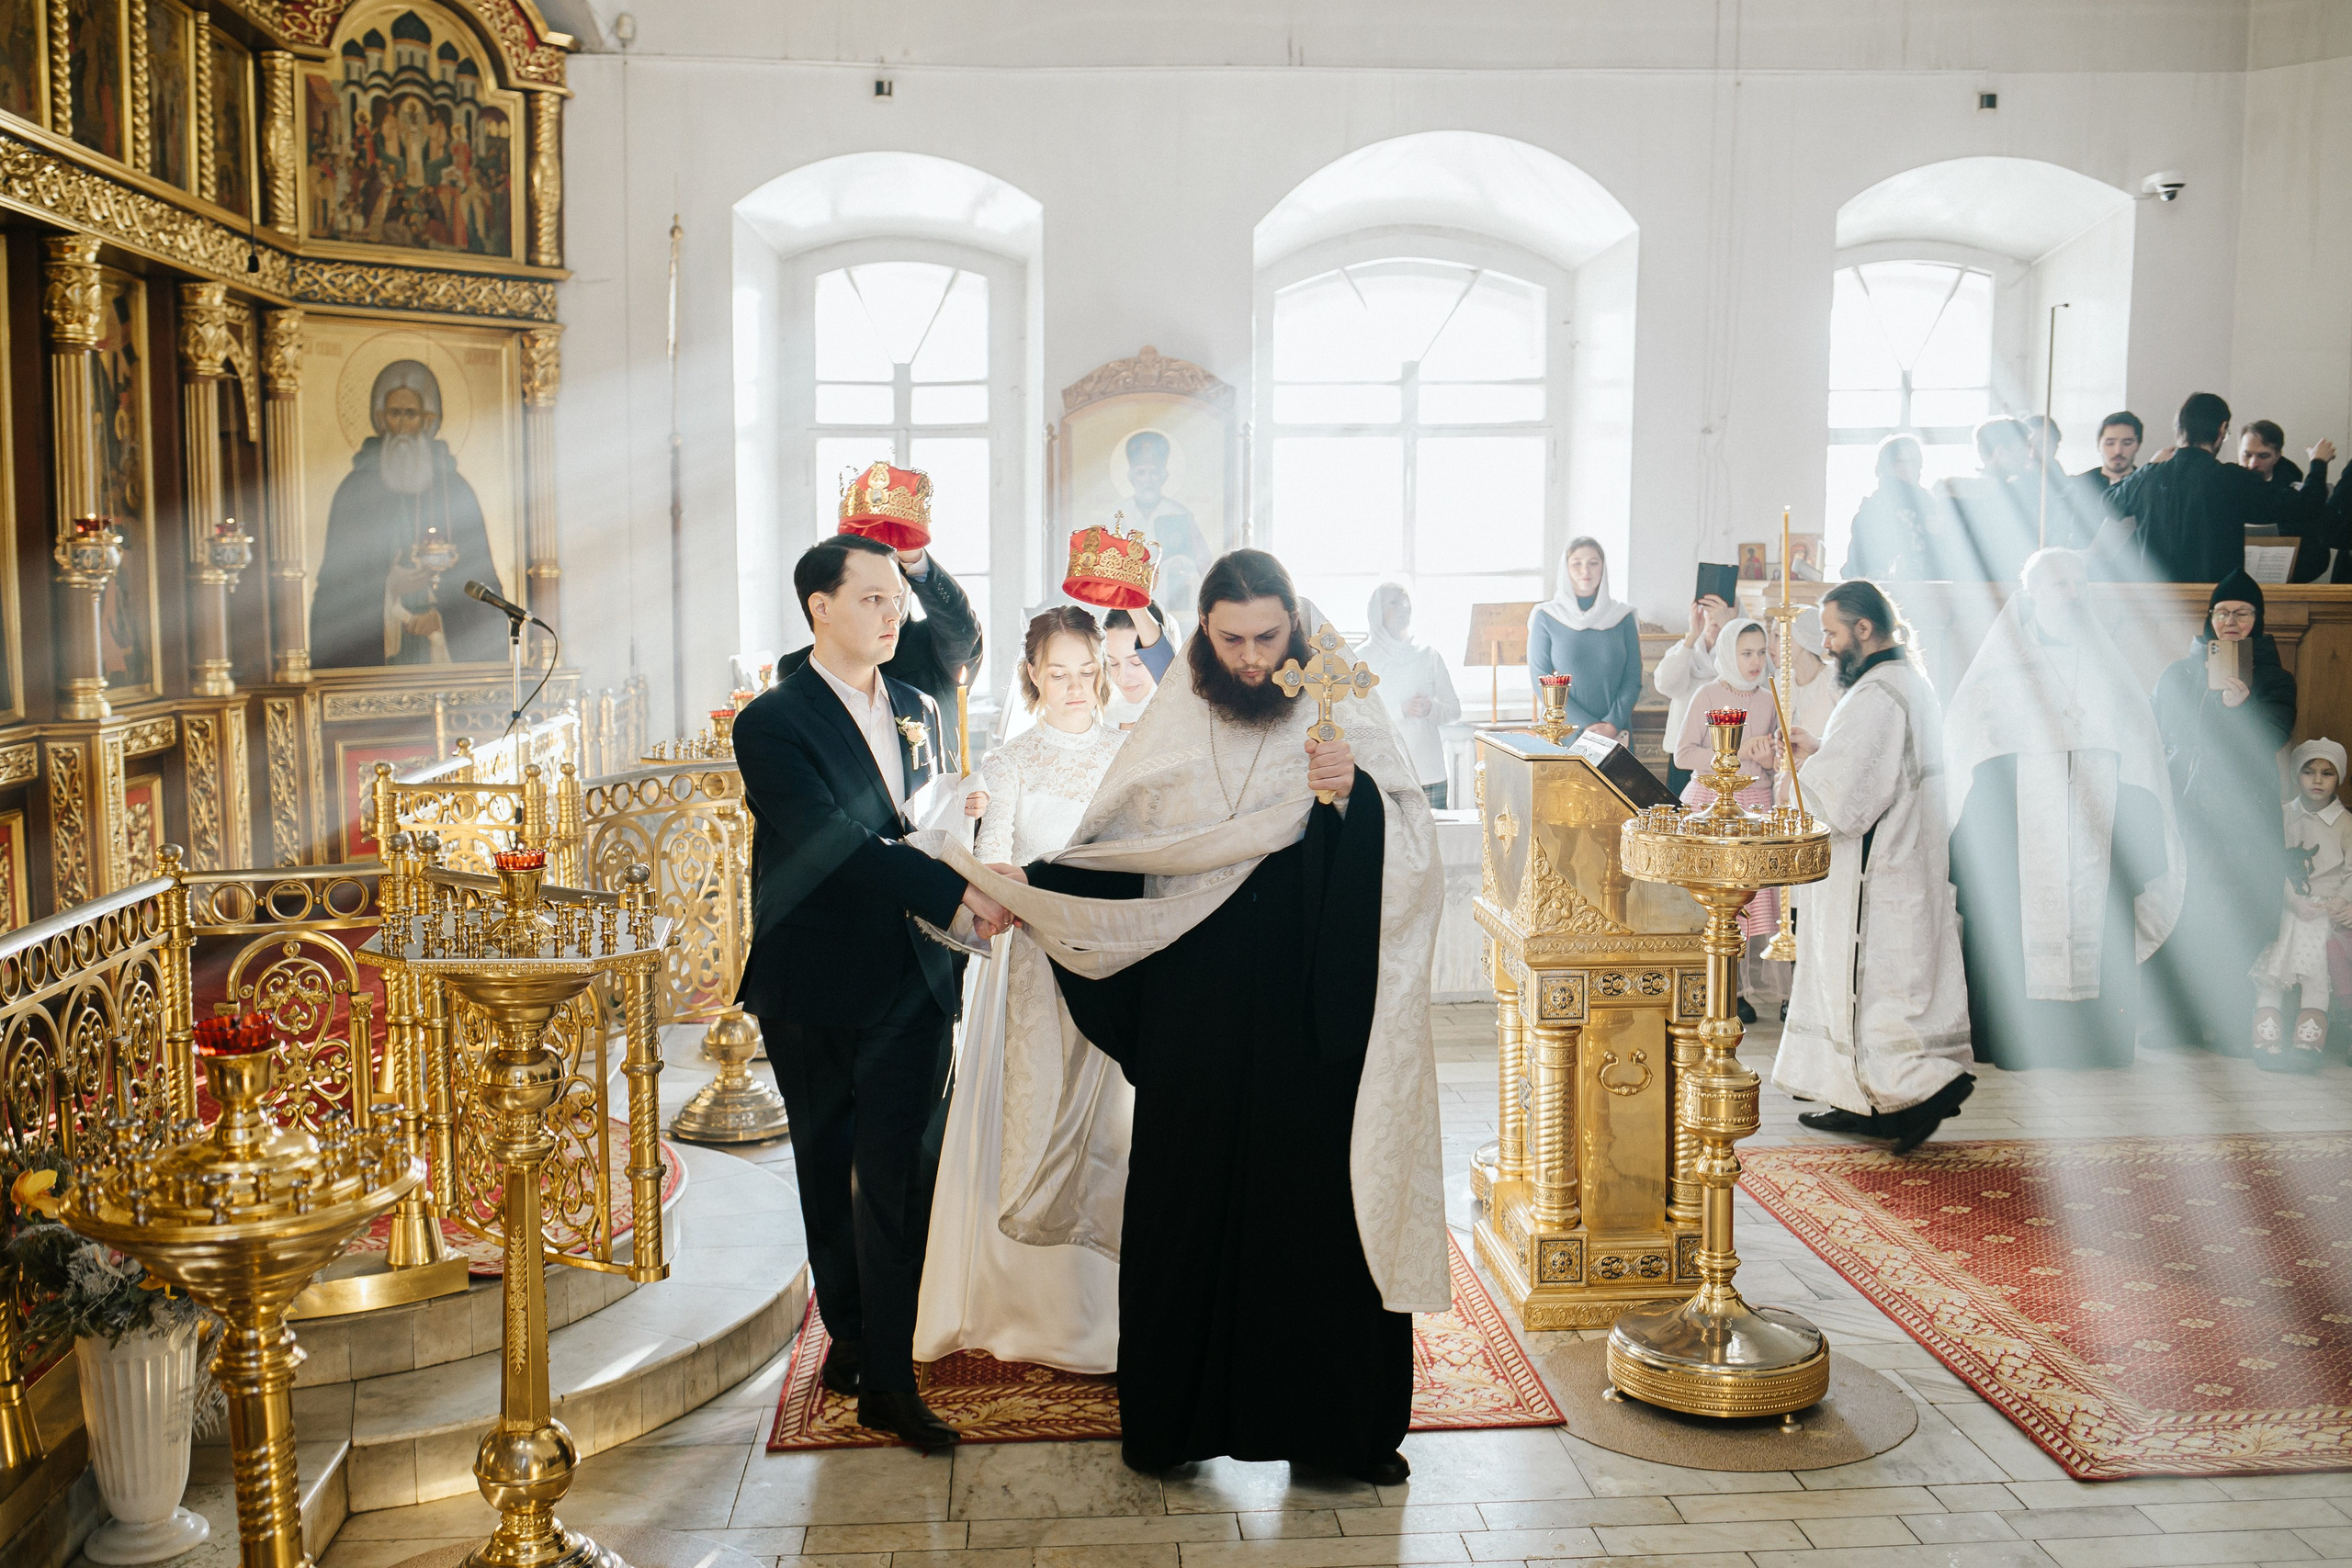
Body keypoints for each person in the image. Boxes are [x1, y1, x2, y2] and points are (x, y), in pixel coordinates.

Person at [928, 548, 1445, 1484]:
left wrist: (1348, 801)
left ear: (1298, 628)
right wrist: (1037, 887)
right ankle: (1175, 1422)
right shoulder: (1174, 724)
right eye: (1229, 638)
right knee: (1183, 1221)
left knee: (1313, 1228)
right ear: (1200, 633)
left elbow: (1409, 851)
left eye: (1267, 638)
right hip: (1195, 1024)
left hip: (1306, 1030)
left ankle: (1331, 1433)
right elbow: (1121, 849)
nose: (1250, 659)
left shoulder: (1340, 713)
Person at [732, 534, 1016, 1453]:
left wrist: (965, 849)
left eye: (898, 601)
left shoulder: (918, 704)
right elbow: (829, 843)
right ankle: (851, 1333)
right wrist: (956, 892)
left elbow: (915, 822)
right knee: (829, 1168)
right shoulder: (772, 721)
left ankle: (889, 1377)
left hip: (914, 969)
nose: (893, 616)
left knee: (899, 1173)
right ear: (820, 606)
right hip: (814, 976)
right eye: (873, 600)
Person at [915, 609, 1126, 1371]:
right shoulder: (1007, 765)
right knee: (1034, 1123)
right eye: (1058, 672)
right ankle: (1028, 1306)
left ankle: (1113, 1303)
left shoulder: (1131, 753)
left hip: (1116, 962)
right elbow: (994, 865)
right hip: (1035, 970)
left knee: (1114, 1131)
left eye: (1085, 670)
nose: (1074, 687)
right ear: (1034, 673)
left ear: (1101, 667)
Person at [1943, 550, 2181, 1070]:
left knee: (2100, 916)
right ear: (2032, 593)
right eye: (2059, 584)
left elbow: (2137, 743)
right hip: (2020, 820)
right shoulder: (2004, 662)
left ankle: (2096, 1045)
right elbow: (1970, 734)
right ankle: (2016, 1042)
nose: (2071, 593)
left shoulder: (2106, 662)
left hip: (2097, 819)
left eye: (2079, 583)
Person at [1774, 580, 1974, 1156]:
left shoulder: (1879, 694)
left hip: (1875, 870)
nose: (1829, 646)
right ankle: (1863, 1101)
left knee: (1877, 988)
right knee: (1892, 986)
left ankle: (1917, 1094)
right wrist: (1821, 749)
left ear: (1864, 629)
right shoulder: (1906, 682)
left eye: (1834, 633)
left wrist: (1795, 772)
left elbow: (1846, 801)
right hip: (1905, 857)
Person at [2148, 571, 2298, 1052]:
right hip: (2187, 812)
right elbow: (2159, 735)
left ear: (2258, 620)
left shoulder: (2275, 677)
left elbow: (2273, 734)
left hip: (2243, 818)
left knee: (2240, 914)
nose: (2231, 621)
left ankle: (2234, 1023)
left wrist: (2243, 709)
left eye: (2242, 612)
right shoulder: (2177, 672)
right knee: (2186, 914)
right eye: (2222, 612)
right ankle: (2181, 1024)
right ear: (2210, 618)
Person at [311, 360, 510, 668]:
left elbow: (481, 580)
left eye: (410, 414)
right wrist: (388, 588)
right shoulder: (355, 490)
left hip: (440, 648)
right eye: (394, 413)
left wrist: (442, 618)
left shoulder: (454, 491)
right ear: (381, 418)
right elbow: (336, 590)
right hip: (376, 651)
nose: (402, 425)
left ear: (427, 419)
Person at [776, 523, 984, 773]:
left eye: (895, 594)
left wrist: (914, 558)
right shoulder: (797, 668)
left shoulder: (934, 643)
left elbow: (963, 630)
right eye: (874, 596)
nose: (893, 613)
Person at [1675, 616, 1786, 1018]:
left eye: (1760, 652)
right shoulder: (1707, 695)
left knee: (1755, 902)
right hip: (1711, 805)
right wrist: (1736, 757)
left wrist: (1768, 756)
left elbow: (1779, 759)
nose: (1755, 661)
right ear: (1728, 652)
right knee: (1719, 899)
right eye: (1746, 653)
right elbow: (1684, 754)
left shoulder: (1770, 696)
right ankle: (1723, 990)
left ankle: (1756, 990)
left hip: (1756, 804)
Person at [2106, 392, 2290, 582]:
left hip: (2158, 602)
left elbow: (2107, 503)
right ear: (2222, 429)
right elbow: (2295, 507)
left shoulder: (2148, 476)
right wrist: (2318, 464)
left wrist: (2148, 467)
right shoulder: (2232, 477)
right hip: (2215, 601)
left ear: (2180, 428)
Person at [2250, 739, 2352, 1072]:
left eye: (2327, 773)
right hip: (2287, 906)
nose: (2317, 780)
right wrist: (2291, 900)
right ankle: (2267, 1036)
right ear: (2297, 777)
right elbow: (2271, 863)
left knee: (2315, 973)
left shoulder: (2346, 823)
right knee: (2272, 970)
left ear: (2339, 778)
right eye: (2309, 773)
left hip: (2324, 910)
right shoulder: (2282, 815)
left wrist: (2342, 899)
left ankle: (2308, 1043)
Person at [1525, 538, 1641, 743]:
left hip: (1615, 732)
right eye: (1577, 563)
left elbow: (1632, 677)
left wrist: (1612, 724)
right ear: (1566, 568)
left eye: (1593, 563)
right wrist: (1585, 725)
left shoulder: (1622, 616)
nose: (1585, 570)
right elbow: (1540, 677)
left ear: (1603, 568)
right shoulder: (1547, 616)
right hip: (1564, 731)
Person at [1362, 583, 1463, 808]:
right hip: (1382, 776)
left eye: (1406, 600)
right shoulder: (1361, 659)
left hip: (1429, 773)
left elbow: (1454, 710)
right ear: (1377, 611)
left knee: (1434, 841)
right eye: (1394, 602)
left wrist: (1431, 709)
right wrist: (1401, 711)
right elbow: (1356, 720)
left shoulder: (1428, 655)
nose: (1404, 607)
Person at [1653, 584, 1734, 796]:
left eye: (1724, 610)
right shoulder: (1685, 648)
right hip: (1683, 751)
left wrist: (1730, 630)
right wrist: (1691, 637)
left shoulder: (1739, 654)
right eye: (1710, 609)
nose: (1716, 617)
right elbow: (1666, 685)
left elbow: (1741, 683)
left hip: (1721, 753)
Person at [1939, 416, 2038, 582]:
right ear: (1999, 452)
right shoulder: (1966, 492)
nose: (2029, 455)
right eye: (2022, 449)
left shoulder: (2017, 490)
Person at [2239, 420, 2338, 581]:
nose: (2252, 464)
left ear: (2278, 456)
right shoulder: (2230, 481)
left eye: (2263, 456)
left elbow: (2309, 511)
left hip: (2293, 575)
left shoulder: (2290, 479)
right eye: (2247, 454)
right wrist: (2318, 463)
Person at [1845, 434, 1935, 580]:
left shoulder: (1931, 505)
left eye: (1918, 461)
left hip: (1932, 592)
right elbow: (1859, 563)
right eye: (1908, 461)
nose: (1917, 467)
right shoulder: (1873, 510)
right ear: (1889, 465)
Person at [1102, 604, 1174, 728]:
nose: (1122, 678)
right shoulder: (1099, 716)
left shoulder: (1179, 716)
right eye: (1113, 663)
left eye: (1137, 662)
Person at [1787, 606, 1839, 746]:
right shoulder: (1783, 681)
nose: (1771, 646)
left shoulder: (1834, 682)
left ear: (1803, 640)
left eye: (1779, 636)